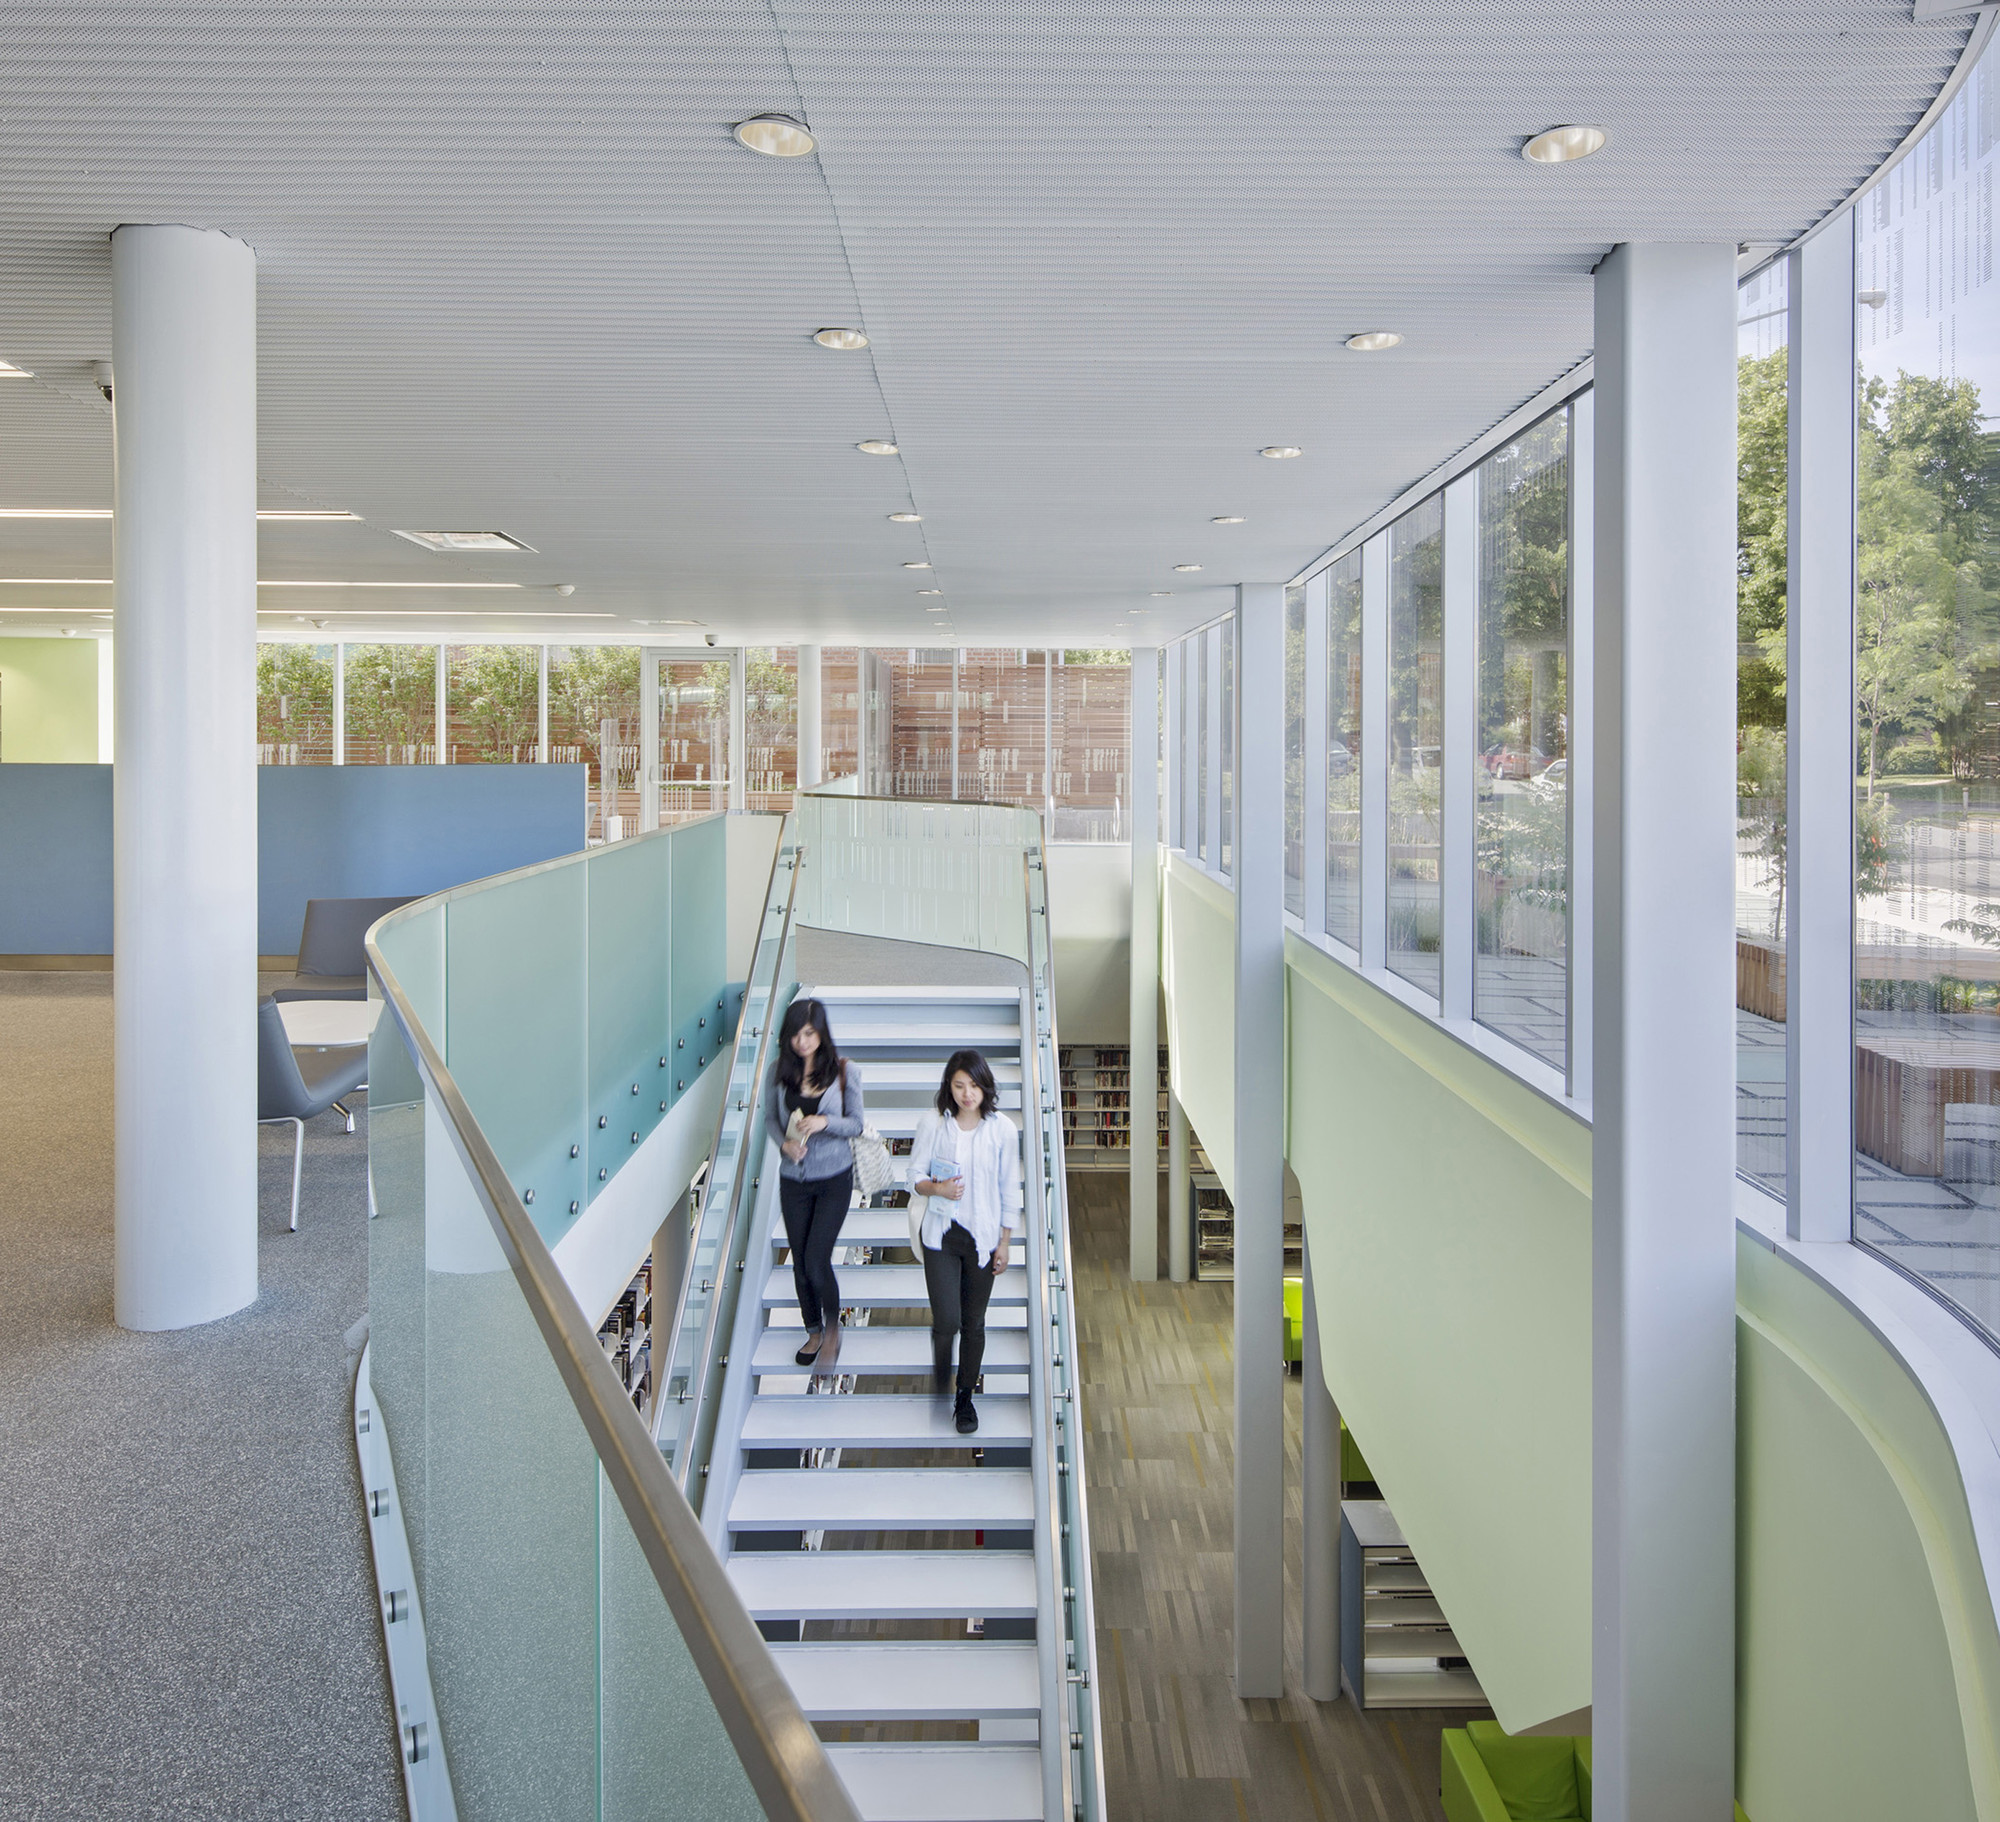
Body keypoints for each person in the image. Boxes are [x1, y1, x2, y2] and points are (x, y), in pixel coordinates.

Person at [909, 1048, 1022, 1435]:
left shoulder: (1003, 1129)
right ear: (949, 1088)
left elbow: (1010, 1189)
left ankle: (964, 1396)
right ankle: (942, 1370)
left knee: (973, 1322)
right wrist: (935, 1188)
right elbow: (913, 1175)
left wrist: (1005, 1243)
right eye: (959, 1086)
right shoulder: (933, 1124)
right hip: (941, 1236)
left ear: (984, 1086)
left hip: (984, 1238)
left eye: (973, 1085)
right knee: (947, 1320)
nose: (967, 1093)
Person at [765, 997, 863, 1371]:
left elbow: (855, 1123)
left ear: (821, 1033)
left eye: (809, 1033)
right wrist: (785, 1145)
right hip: (794, 1179)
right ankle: (813, 1330)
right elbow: (771, 1121)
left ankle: (834, 1329)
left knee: (816, 1259)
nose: (802, 1042)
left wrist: (825, 1124)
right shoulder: (778, 1071)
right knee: (799, 1264)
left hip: (834, 1178)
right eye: (796, 1035)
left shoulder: (844, 1072)